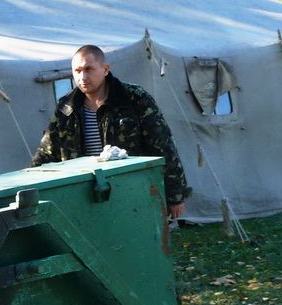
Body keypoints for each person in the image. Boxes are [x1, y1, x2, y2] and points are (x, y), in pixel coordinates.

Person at [31, 44, 191, 219]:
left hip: (132, 192)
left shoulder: (134, 99)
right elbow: (47, 153)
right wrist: (27, 187)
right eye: (77, 71)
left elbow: (162, 145)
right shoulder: (66, 108)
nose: (83, 77)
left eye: (89, 69)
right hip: (83, 196)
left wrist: (175, 195)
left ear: (105, 69)